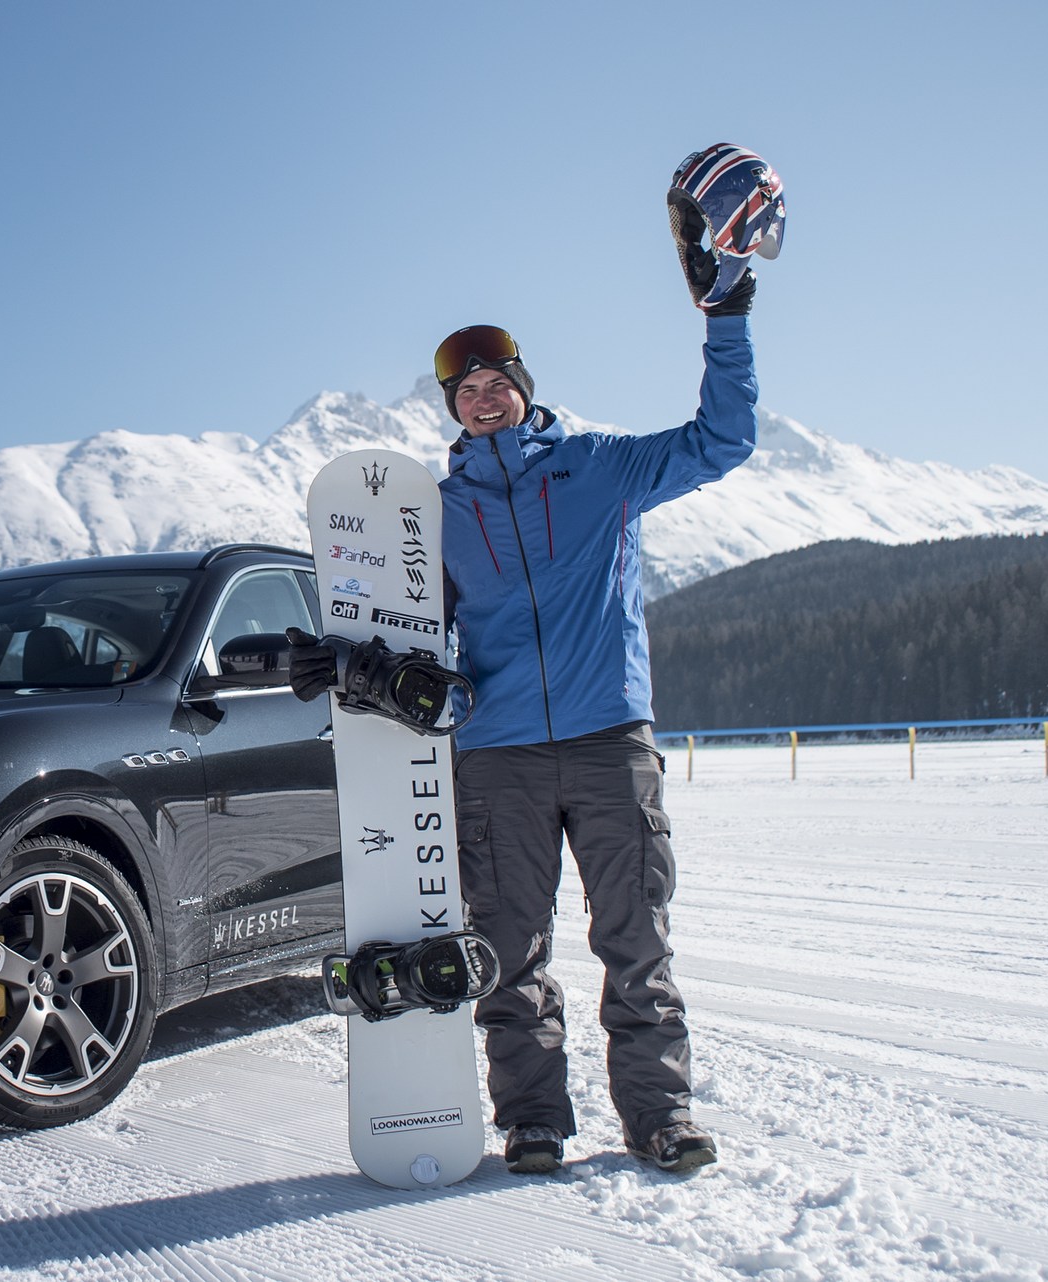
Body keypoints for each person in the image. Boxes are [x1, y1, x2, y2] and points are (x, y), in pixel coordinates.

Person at [294, 159, 769, 1174]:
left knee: (636, 944)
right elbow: (413, 632)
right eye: (464, 388)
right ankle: (534, 1120)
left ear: (524, 388)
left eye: (497, 380)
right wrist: (360, 666)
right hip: (501, 754)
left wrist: (725, 316)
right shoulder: (436, 514)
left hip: (608, 742)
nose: (483, 396)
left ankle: (658, 1115)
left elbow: (724, 440)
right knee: (510, 954)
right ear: (452, 408)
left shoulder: (599, 469)